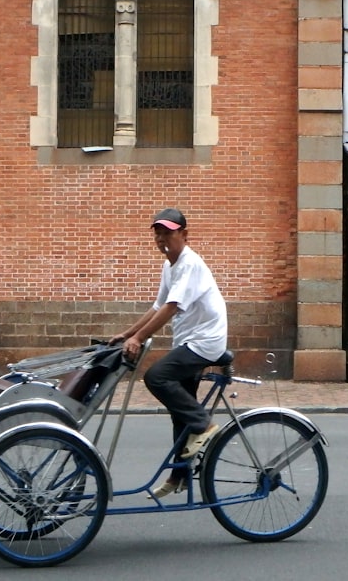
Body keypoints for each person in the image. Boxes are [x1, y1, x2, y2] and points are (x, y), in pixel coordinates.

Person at [110, 207, 227, 498]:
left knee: (157, 377)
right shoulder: (170, 265)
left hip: (205, 342)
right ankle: (180, 476)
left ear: (184, 235)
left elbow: (172, 307)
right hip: (188, 342)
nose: (162, 238)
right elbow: (157, 306)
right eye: (158, 232)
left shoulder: (189, 263)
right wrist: (127, 334)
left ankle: (205, 425)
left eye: (168, 232)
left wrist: (139, 338)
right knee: (179, 414)